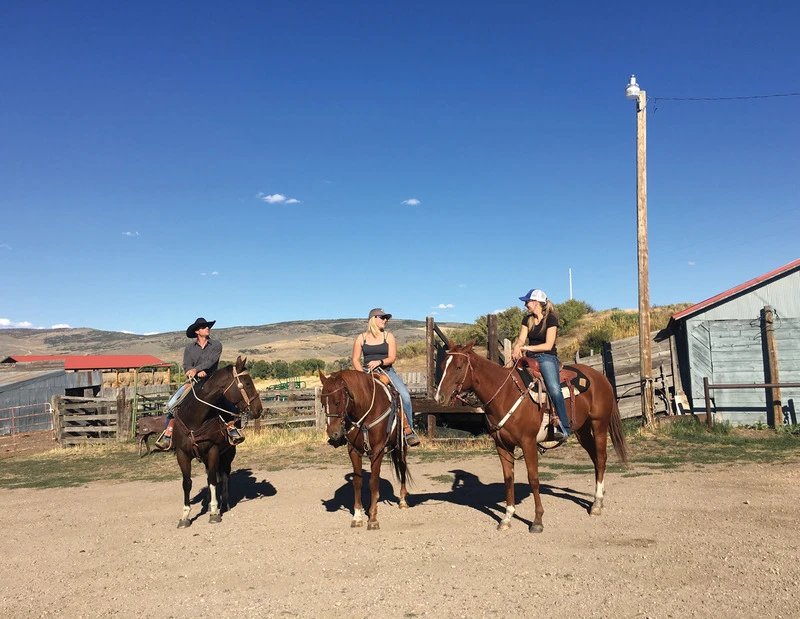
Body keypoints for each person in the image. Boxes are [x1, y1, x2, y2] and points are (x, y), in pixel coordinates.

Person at [155, 317, 240, 449]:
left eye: (208, 326)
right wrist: (191, 371)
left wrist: (199, 369)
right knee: (173, 404)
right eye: (204, 327)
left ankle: (232, 429)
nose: (207, 328)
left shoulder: (216, 345)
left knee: (227, 403)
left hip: (212, 381)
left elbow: (212, 361)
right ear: (197, 331)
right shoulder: (189, 348)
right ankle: (168, 436)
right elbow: (186, 364)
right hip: (193, 381)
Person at [351, 308, 420, 446]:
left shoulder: (388, 336)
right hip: (366, 372)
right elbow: (355, 360)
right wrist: (361, 375)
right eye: (382, 317)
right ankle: (346, 431)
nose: (385, 320)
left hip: (387, 371)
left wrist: (379, 362)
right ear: (373, 319)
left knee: (405, 397)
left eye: (386, 318)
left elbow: (392, 358)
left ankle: (408, 432)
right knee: (349, 395)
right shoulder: (361, 338)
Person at [511, 289, 571, 441]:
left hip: (546, 357)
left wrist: (526, 348)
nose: (525, 305)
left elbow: (548, 345)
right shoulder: (527, 320)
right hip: (530, 357)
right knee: (511, 378)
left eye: (527, 302)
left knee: (554, 388)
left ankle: (564, 427)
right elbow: (521, 338)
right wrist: (517, 346)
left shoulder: (551, 319)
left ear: (536, 302)